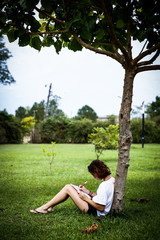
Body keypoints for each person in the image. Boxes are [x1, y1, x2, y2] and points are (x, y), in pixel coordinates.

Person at [30, 160, 115, 216]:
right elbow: (101, 197)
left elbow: (101, 207)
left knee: (68, 188)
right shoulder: (111, 180)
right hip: (94, 206)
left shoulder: (104, 185)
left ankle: (45, 208)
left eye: (93, 174)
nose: (93, 177)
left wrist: (86, 199)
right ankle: (50, 206)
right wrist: (87, 192)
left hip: (94, 211)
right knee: (70, 187)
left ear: (98, 172)